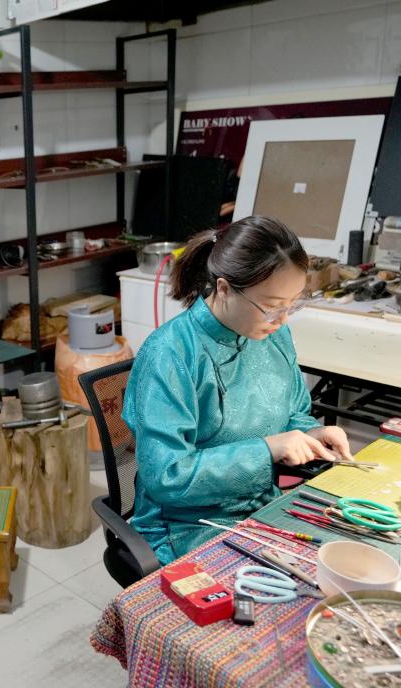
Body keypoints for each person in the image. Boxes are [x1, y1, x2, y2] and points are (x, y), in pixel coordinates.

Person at [122, 215, 353, 565]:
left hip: (260, 506)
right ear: (225, 288)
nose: (282, 320)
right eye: (272, 306)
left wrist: (311, 433)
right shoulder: (171, 353)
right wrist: (267, 450)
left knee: (340, 559)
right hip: (186, 525)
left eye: (292, 304)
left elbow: (293, 411)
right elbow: (166, 477)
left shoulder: (273, 335)